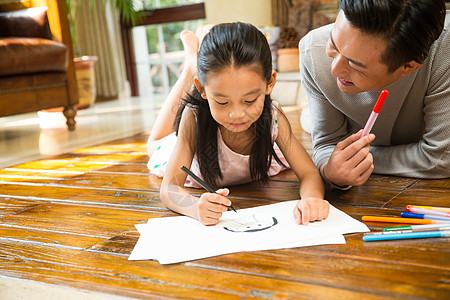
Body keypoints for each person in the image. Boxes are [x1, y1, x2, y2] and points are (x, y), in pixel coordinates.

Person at [147, 22, 329, 226]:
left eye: (250, 100)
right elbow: (170, 188)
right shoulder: (194, 117)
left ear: (270, 82)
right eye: (222, 102)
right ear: (202, 89)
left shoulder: (273, 116)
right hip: (194, 139)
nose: (236, 114)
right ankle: (190, 67)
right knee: (154, 145)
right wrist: (194, 207)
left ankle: (196, 63)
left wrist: (311, 199)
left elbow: (309, 173)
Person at [299, 0, 449, 189]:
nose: (334, 70)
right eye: (334, 45)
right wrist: (331, 170)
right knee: (309, 121)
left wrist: (358, 158)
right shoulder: (312, 50)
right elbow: (326, 146)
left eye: (354, 64)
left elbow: (441, 157)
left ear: (408, 67)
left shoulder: (444, 53)